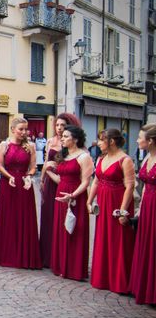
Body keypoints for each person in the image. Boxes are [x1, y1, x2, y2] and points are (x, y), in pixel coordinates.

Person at [87, 128, 135, 294]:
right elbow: (96, 181)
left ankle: (120, 281)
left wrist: (122, 211)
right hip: (103, 202)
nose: (99, 143)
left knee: (119, 240)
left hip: (117, 202)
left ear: (111, 141)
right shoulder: (101, 158)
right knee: (104, 238)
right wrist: (89, 200)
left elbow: (130, 186)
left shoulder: (125, 160)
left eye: (101, 140)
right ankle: (103, 277)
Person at [45, 125, 93, 281]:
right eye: (62, 136)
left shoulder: (84, 156)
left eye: (66, 136)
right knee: (62, 229)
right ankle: (61, 265)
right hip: (61, 194)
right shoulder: (63, 155)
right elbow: (60, 179)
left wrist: (73, 195)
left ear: (76, 139)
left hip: (75, 196)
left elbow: (86, 181)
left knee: (75, 230)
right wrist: (48, 171)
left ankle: (75, 268)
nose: (63, 138)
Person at [0, 118, 41, 269]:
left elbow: (33, 167)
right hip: (8, 183)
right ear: (12, 129)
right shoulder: (4, 145)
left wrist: (29, 176)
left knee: (23, 217)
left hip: (24, 184)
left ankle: (23, 255)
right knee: (8, 217)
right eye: (21, 129)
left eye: (26, 129)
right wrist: (9, 177)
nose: (24, 132)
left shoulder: (30, 146)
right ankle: (6, 254)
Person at [39, 113, 81, 268]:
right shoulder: (51, 141)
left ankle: (62, 256)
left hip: (65, 182)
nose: (59, 128)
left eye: (62, 125)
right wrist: (42, 179)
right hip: (50, 181)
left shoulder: (72, 143)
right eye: (57, 125)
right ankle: (47, 256)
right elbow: (46, 162)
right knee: (48, 216)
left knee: (63, 218)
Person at [129, 124, 156, 304]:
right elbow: (145, 185)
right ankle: (144, 287)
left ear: (151, 141)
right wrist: (140, 207)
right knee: (146, 242)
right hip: (147, 205)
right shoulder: (147, 157)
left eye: (140, 137)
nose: (138, 140)